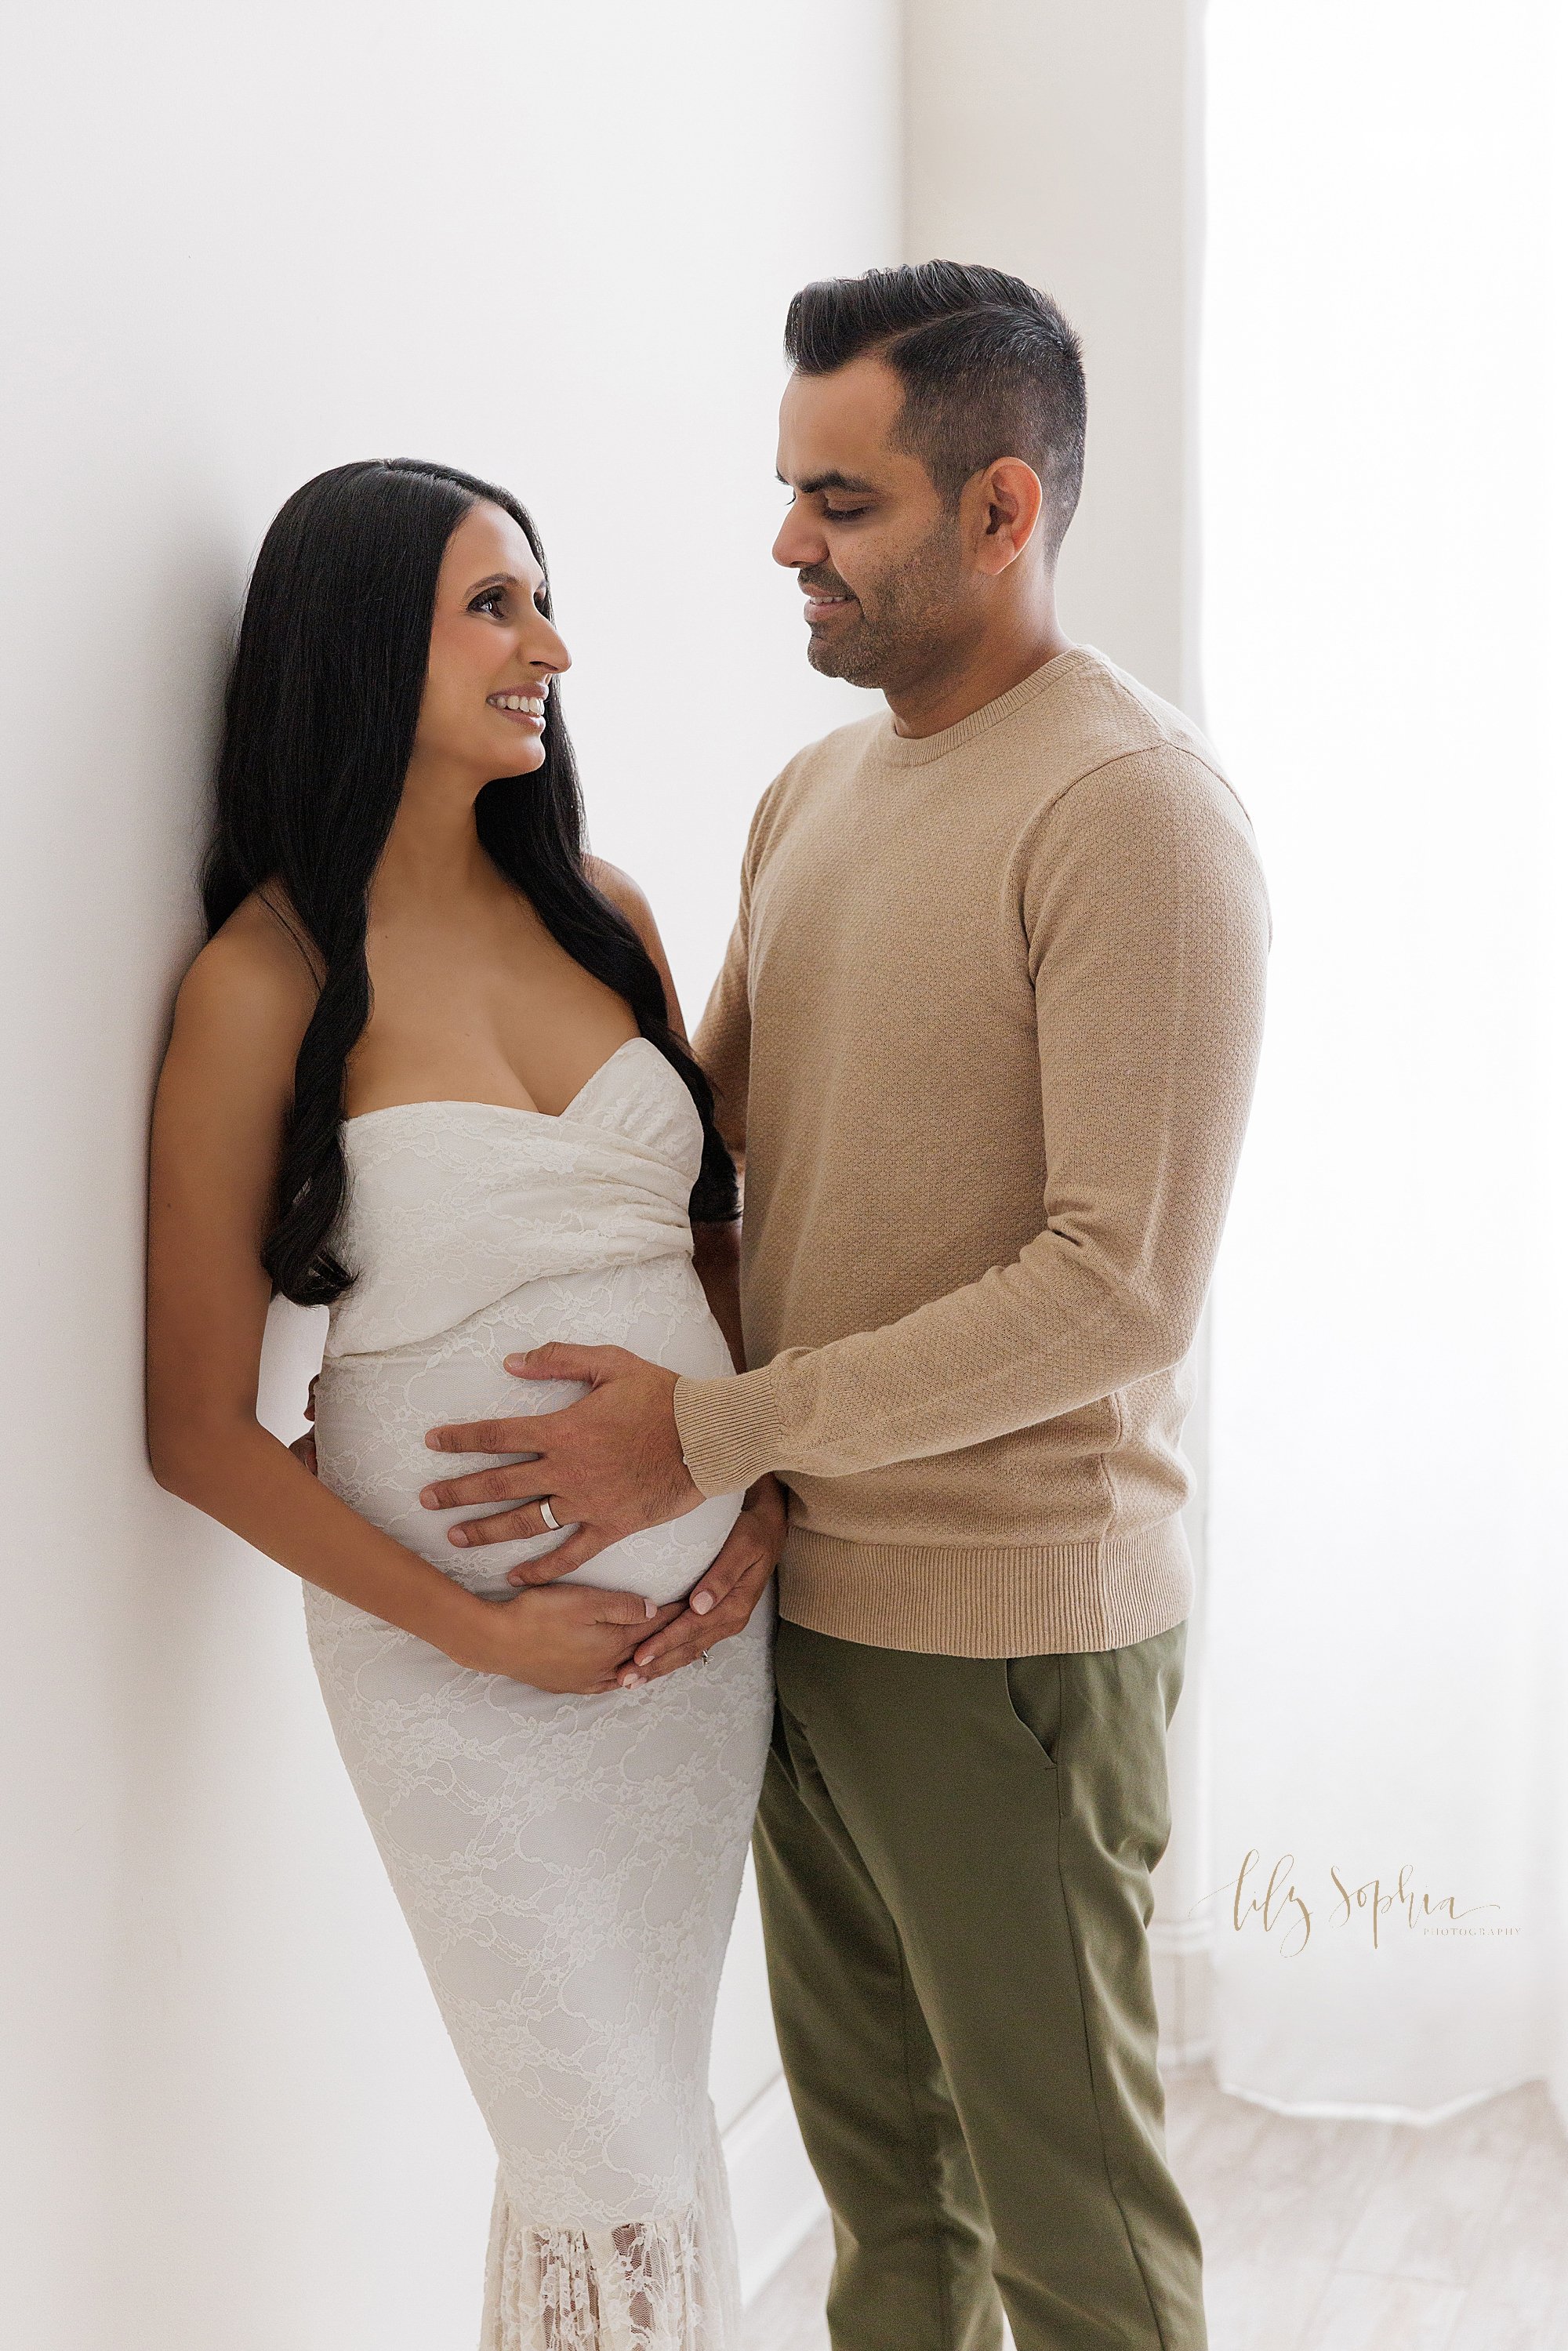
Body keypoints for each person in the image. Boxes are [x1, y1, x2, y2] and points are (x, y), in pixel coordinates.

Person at [419, 265, 1272, 2350]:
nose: (786, 543)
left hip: (1010, 1656)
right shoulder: (816, 798)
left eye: (842, 500)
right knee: (892, 2223)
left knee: (1076, 2249)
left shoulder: (1130, 814)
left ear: (1003, 515)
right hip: (806, 1603)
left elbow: (1116, 1290)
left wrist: (710, 1438)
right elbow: (725, 1174)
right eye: (790, 491)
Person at [144, 458, 783, 2351]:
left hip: (691, 1655)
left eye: (541, 601)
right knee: (600, 2155)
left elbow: (719, 1258)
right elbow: (193, 1426)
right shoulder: (263, 982)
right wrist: (481, 1636)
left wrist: (752, 1508)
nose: (549, 649)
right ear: (357, 649)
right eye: (493, 608)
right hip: (455, 1673)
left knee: (641, 2140)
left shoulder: (606, 915)